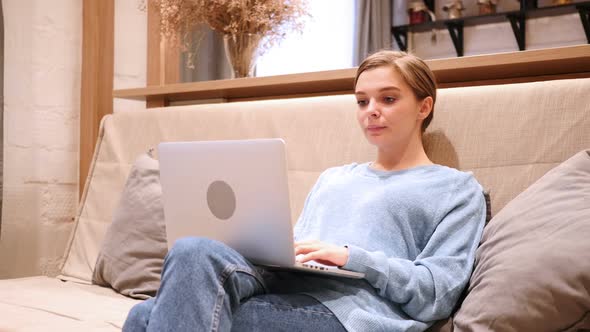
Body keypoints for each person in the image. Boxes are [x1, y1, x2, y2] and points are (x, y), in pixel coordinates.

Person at [123, 50, 486, 332]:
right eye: (362, 101)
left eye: (388, 99)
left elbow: (437, 294)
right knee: (192, 249)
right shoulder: (334, 177)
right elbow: (295, 252)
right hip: (286, 287)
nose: (371, 111)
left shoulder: (455, 190)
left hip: (350, 314)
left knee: (147, 317)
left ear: (424, 106)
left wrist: (352, 257)